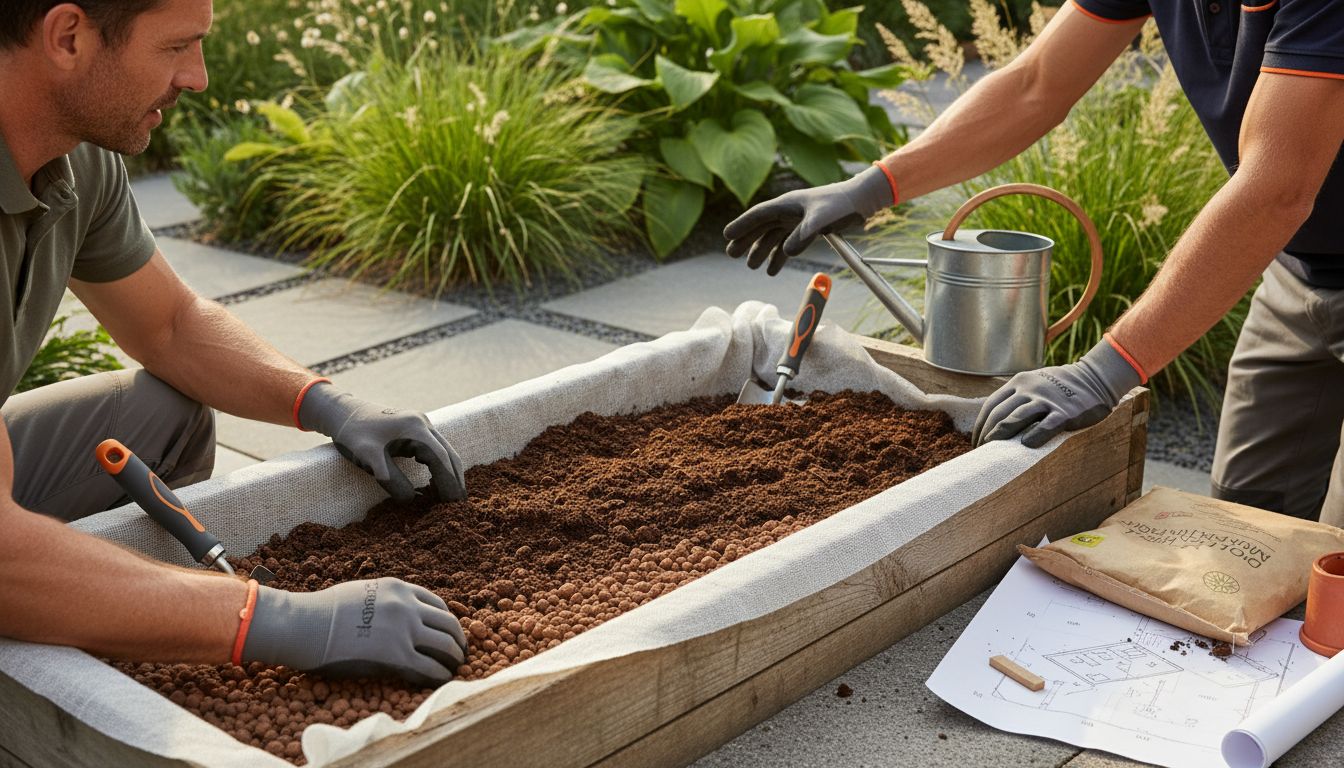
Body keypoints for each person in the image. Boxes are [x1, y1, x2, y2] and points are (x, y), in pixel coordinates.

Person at [723, 1, 1344, 524]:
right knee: (1247, 524)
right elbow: (1036, 84)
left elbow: (1276, 189)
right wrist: (868, 188)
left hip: (1290, 225)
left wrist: (1104, 372)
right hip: (1295, 275)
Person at [0, 0, 468, 685]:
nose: (197, 77)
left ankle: (107, 605)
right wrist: (274, 620)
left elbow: (170, 325)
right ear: (69, 37)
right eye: (176, 47)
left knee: (162, 416)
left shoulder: (75, 159)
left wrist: (328, 405)